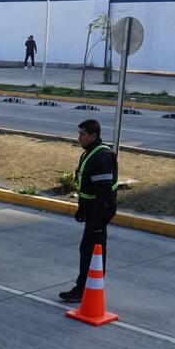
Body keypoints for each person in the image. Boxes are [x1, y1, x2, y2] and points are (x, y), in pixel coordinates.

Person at [59, 120, 118, 304]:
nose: (79, 138)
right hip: (92, 209)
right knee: (90, 250)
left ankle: (84, 289)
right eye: (79, 134)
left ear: (94, 135)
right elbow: (88, 186)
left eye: (82, 134)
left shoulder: (101, 157)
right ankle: (89, 286)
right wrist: (82, 208)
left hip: (100, 211)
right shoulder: (90, 153)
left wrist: (97, 220)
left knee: (91, 251)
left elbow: (103, 192)